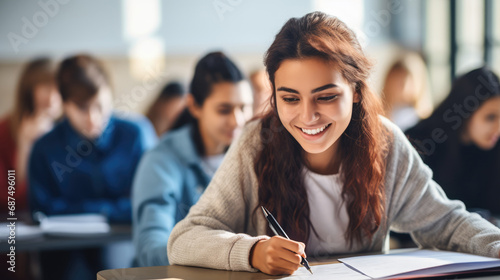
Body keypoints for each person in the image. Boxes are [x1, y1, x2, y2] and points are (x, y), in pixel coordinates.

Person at [167, 12, 500, 276]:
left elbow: (445, 222)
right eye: (290, 98)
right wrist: (252, 252)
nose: (308, 116)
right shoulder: (257, 143)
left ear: (355, 91)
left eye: (325, 96)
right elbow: (184, 239)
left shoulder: (384, 142)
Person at [28, 54, 157, 280]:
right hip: (64, 255)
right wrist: (111, 210)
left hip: (126, 246)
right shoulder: (44, 148)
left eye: (100, 106)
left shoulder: (135, 135)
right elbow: (42, 209)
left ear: (110, 97)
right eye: (82, 108)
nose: (93, 118)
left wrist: (87, 209)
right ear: (64, 104)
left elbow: (149, 202)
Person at [132, 51, 253, 267]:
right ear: (194, 106)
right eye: (224, 110)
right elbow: (151, 250)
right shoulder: (161, 161)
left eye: (244, 108)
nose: (238, 121)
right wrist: (227, 254)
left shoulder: (251, 155)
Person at [406, 67, 500, 221]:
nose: (498, 128)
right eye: (490, 117)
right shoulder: (421, 142)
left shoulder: (494, 146)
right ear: (465, 111)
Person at [0, 58, 61, 218]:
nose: (52, 98)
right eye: (46, 88)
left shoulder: (68, 130)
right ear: (28, 91)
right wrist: (25, 145)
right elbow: (11, 200)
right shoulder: (4, 131)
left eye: (59, 89)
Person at [381, 52, 433, 131]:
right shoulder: (378, 119)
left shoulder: (424, 122)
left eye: (409, 81)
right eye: (398, 81)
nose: (404, 87)